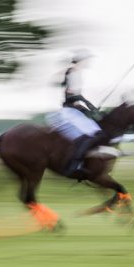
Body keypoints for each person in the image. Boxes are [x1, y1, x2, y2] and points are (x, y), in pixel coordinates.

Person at [53, 50, 110, 179]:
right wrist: (88, 105)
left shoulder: (74, 72)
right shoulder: (74, 73)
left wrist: (88, 109)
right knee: (94, 135)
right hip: (69, 112)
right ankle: (74, 166)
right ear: (81, 61)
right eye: (87, 60)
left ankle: (80, 164)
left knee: (95, 133)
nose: (89, 62)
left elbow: (74, 97)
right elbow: (72, 96)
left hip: (73, 110)